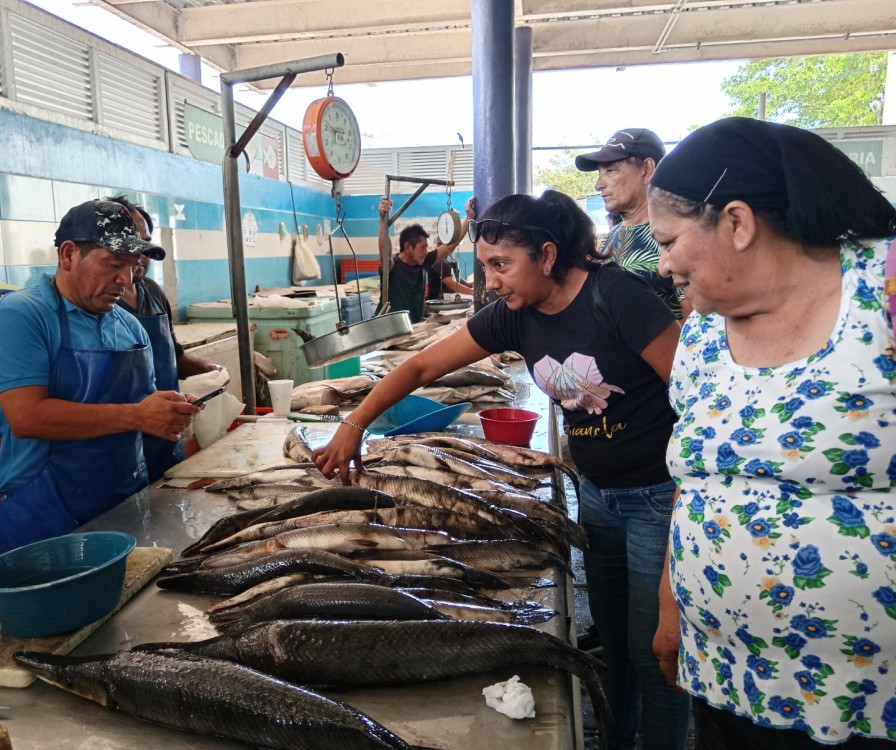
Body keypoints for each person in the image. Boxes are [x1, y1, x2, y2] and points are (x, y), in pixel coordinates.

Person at [315, 190, 689, 750]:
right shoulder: (516, 316)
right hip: (598, 496)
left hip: (657, 497)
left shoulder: (617, 297)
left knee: (654, 649)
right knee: (614, 639)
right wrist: (353, 423)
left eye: (501, 265)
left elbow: (696, 398)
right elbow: (420, 367)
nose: (490, 282)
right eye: (485, 266)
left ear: (546, 255)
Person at [649, 117, 896, 748]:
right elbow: (694, 480)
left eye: (670, 241)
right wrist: (672, 606)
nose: (664, 264)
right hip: (727, 681)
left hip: (870, 700)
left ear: (736, 222)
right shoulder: (702, 333)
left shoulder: (884, 291)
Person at [0, 199, 201, 551]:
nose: (126, 279)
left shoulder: (129, 327)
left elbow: (142, 408)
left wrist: (169, 410)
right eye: (114, 264)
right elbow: (27, 417)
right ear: (68, 255)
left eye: (132, 267)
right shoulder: (21, 316)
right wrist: (138, 415)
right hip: (46, 520)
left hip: (126, 509)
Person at [107, 195, 222, 481]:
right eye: (132, 244)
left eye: (146, 244)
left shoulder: (153, 292)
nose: (141, 254)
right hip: (122, 442)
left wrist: (208, 371)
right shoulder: (102, 303)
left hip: (167, 441)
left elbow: (173, 357)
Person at [576, 128, 691, 320]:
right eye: (599, 173)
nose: (598, 184)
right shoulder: (612, 237)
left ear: (646, 170)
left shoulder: (675, 236)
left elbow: (695, 322)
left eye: (610, 171)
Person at [376, 195, 476, 323]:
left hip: (412, 326)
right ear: (408, 247)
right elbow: (385, 255)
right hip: (388, 327)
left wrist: (469, 218)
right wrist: (383, 220)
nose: (425, 252)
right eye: (422, 248)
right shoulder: (393, 266)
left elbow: (449, 247)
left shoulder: (423, 262)